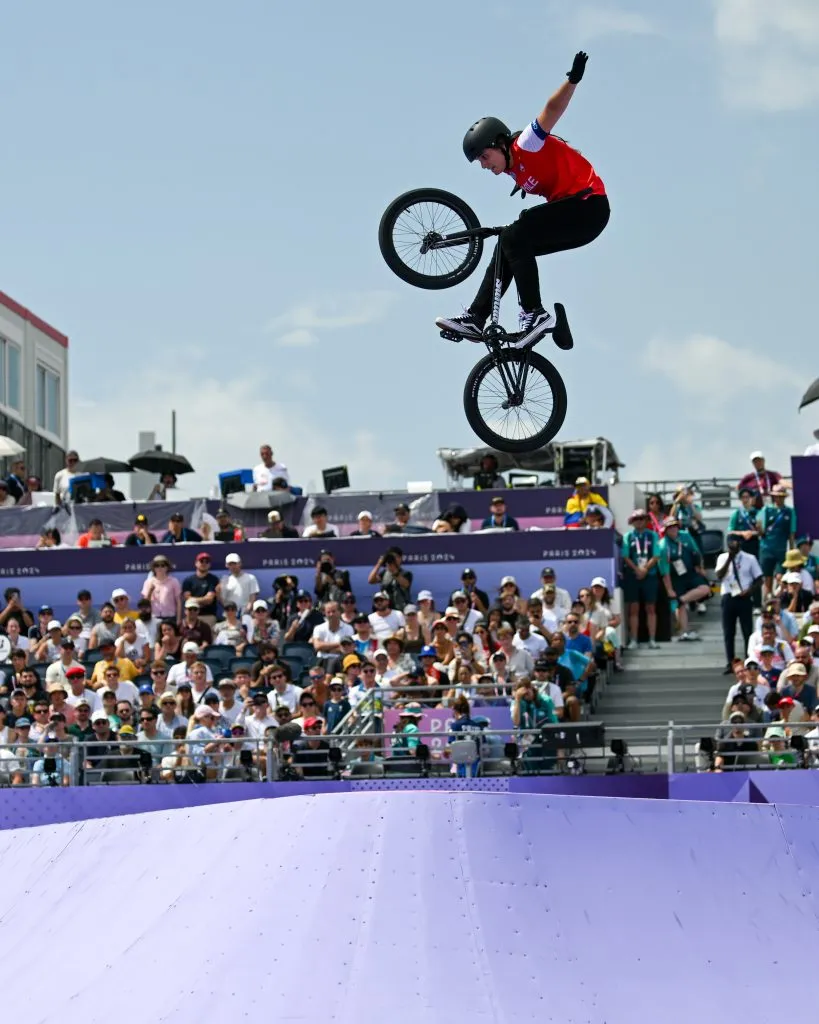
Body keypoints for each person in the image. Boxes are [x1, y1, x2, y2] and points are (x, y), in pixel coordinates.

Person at [435, 52, 609, 348]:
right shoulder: (513, 169)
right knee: (508, 242)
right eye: (479, 162)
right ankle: (477, 318)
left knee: (518, 230)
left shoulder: (526, 143)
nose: (484, 165)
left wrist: (573, 80)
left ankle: (534, 314)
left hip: (588, 206)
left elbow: (552, 110)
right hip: (577, 216)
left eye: (485, 156)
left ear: (499, 144)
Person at [716, 533, 763, 674]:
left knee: (747, 631)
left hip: (744, 597)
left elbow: (759, 579)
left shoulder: (750, 558)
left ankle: (749, 660)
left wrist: (750, 591)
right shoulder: (722, 557)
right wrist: (729, 558)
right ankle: (730, 662)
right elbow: (719, 575)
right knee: (728, 632)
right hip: (728, 596)